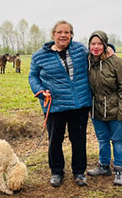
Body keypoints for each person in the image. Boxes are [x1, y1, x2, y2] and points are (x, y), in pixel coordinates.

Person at [28, 20, 92, 187]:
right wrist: (41, 91)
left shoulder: (80, 50)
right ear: (53, 34)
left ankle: (79, 172)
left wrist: (110, 49)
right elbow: (32, 77)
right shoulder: (39, 56)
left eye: (67, 32)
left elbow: (97, 53)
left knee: (78, 140)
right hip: (55, 105)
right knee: (55, 140)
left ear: (71, 34)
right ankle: (56, 172)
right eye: (59, 32)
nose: (63, 35)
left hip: (80, 105)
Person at [87, 30, 122, 186]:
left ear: (105, 44)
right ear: (89, 45)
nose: (96, 47)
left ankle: (119, 170)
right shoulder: (87, 61)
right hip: (96, 110)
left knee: (117, 140)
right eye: (93, 43)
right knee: (102, 140)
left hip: (116, 109)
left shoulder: (117, 62)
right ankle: (103, 166)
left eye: (99, 43)